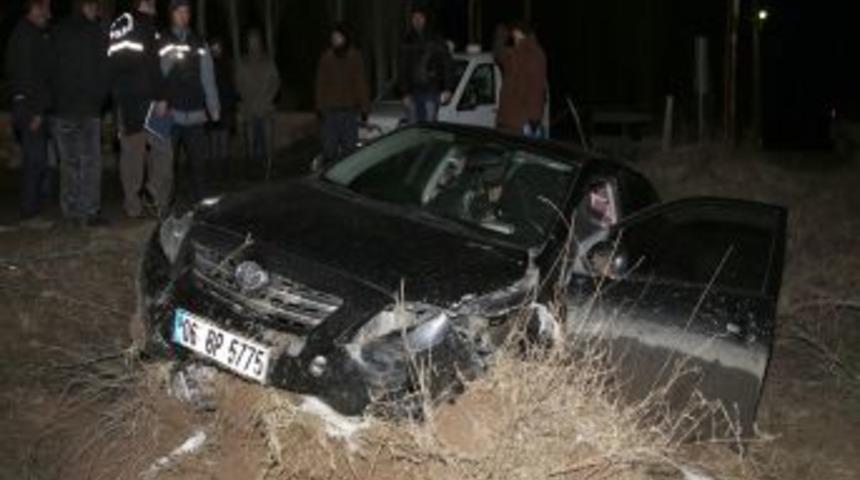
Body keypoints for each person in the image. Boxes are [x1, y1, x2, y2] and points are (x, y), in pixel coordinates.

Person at [108, 0, 172, 218]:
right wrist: (162, 96)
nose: (155, 4)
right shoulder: (145, 23)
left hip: (124, 100)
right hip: (147, 99)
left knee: (131, 154)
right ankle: (154, 193)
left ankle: (132, 206)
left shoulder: (118, 23)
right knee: (163, 149)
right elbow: (151, 63)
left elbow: (111, 63)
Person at [52, 0, 109, 227]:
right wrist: (99, 100)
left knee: (69, 161)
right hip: (87, 108)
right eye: (95, 7)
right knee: (90, 161)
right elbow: (104, 69)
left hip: (64, 108)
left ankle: (71, 211)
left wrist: (55, 100)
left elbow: (49, 68)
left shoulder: (57, 31)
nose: (96, 11)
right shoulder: (95, 32)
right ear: (87, 6)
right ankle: (89, 211)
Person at [159, 0, 220, 202]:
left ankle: (201, 205)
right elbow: (157, 75)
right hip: (171, 114)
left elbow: (208, 76)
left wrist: (214, 107)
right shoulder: (163, 39)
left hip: (195, 115)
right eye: (180, 12)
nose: (184, 16)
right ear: (171, 14)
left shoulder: (199, 41)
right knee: (167, 166)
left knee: (199, 165)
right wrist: (159, 99)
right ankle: (165, 206)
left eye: (187, 12)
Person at [4, 0, 54, 229]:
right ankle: (29, 213)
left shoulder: (31, 34)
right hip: (29, 107)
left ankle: (33, 209)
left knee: (38, 159)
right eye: (46, 8)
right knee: (35, 160)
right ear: (35, 8)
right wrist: (34, 111)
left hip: (32, 106)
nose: (49, 13)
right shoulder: (25, 36)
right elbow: (25, 75)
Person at [315, 23, 370, 165]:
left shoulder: (354, 56)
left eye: (338, 37)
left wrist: (364, 107)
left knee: (350, 151)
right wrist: (320, 106)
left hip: (349, 112)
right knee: (329, 150)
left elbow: (360, 83)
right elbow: (321, 84)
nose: (335, 40)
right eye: (333, 37)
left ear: (344, 38)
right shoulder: (326, 58)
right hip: (331, 112)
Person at [397, 7, 454, 124]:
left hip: (432, 90)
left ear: (425, 19)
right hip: (413, 92)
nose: (417, 20)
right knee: (414, 128)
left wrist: (448, 87)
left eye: (420, 17)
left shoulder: (436, 38)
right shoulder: (406, 40)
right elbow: (402, 68)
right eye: (414, 18)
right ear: (411, 20)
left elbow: (446, 63)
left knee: (429, 127)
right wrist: (404, 92)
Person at [236, 30, 280, 178]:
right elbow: (238, 85)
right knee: (250, 143)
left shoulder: (268, 62)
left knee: (268, 143)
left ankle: (269, 169)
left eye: (256, 41)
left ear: (260, 43)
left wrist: (268, 99)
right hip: (250, 108)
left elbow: (276, 83)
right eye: (251, 41)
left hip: (266, 108)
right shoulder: (242, 63)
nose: (253, 44)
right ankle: (251, 171)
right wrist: (248, 101)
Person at [493, 22, 547, 138]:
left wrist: (501, 35)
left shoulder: (517, 54)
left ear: (517, 32)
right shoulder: (538, 53)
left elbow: (499, 54)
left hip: (514, 120)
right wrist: (534, 118)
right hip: (527, 120)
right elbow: (538, 90)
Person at [208, 37, 238, 181]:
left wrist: (232, 108)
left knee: (224, 141)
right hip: (213, 108)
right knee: (214, 142)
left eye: (218, 47)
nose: (216, 50)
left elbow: (231, 88)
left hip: (225, 108)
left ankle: (224, 173)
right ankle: (216, 172)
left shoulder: (227, 65)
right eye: (213, 48)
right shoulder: (208, 65)